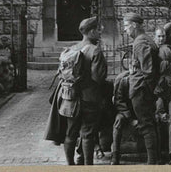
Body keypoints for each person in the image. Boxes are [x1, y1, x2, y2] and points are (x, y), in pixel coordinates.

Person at [45, 17, 107, 165]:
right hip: (89, 99)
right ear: (91, 32)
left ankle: (70, 165)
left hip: (70, 98)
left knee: (71, 133)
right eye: (98, 30)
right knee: (87, 134)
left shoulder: (72, 48)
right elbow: (98, 78)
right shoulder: (95, 50)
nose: (100, 33)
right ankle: (87, 166)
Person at [124, 12, 160, 165]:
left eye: (126, 26)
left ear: (134, 25)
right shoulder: (145, 39)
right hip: (143, 89)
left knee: (146, 125)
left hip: (141, 91)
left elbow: (148, 71)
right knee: (149, 123)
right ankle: (155, 159)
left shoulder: (140, 42)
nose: (125, 30)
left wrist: (145, 90)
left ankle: (152, 163)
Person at [110, 65, 136, 165]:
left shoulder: (143, 81)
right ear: (129, 68)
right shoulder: (124, 81)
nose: (134, 70)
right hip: (125, 112)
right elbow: (119, 100)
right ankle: (115, 155)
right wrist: (129, 117)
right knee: (118, 121)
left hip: (139, 112)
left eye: (137, 68)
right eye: (132, 67)